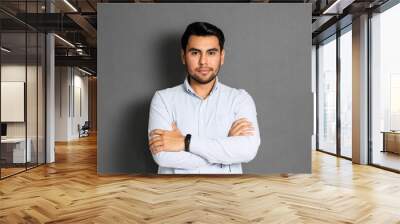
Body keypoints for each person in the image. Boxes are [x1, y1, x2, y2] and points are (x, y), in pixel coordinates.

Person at [148, 21, 260, 174]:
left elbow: (247, 151)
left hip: (226, 195)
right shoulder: (163, 99)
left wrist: (185, 143)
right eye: (195, 52)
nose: (203, 61)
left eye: (211, 53)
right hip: (176, 195)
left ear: (222, 56)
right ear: (183, 56)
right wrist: (225, 150)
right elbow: (162, 156)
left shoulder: (240, 99)